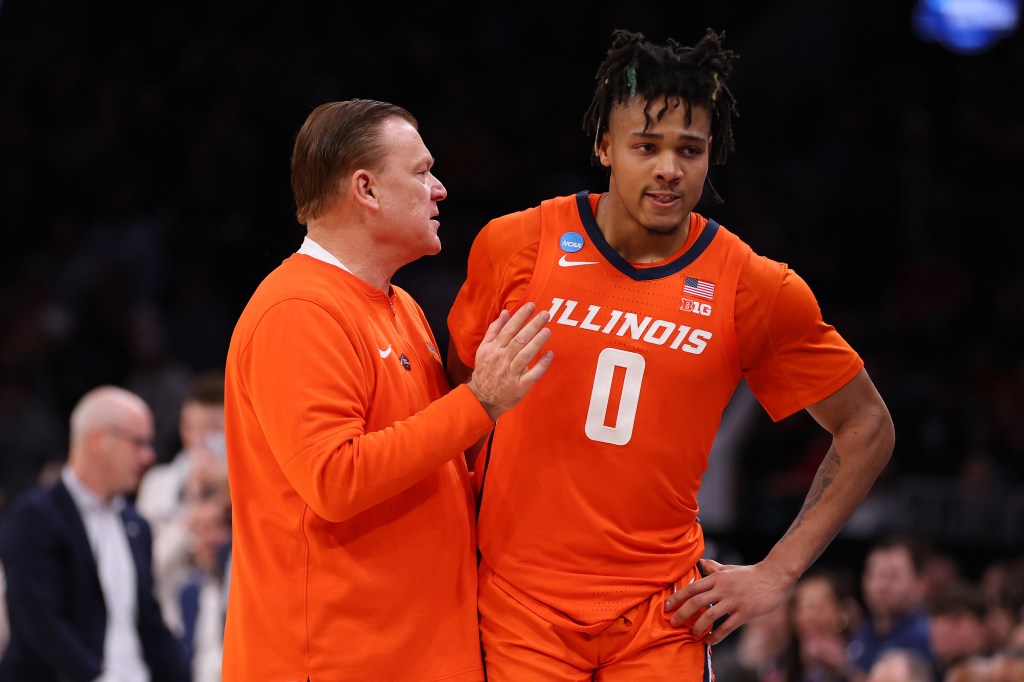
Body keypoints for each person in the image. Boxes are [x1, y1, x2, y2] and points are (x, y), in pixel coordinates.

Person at [445, 27, 895, 680]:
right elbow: (455, 404)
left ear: (712, 156)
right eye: (646, 146)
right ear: (604, 145)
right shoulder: (514, 245)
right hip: (519, 605)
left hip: (665, 617)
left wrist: (778, 571)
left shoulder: (754, 286)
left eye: (690, 149)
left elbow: (868, 425)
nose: (668, 168)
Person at [221, 98, 554, 681]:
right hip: (336, 660)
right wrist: (481, 401)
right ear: (366, 190)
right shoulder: (298, 310)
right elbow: (335, 479)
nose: (441, 189)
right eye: (422, 172)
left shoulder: (402, 307)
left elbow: (436, 461)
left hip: (416, 654)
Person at [0, 385, 188, 682]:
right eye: (138, 443)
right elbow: (38, 620)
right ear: (99, 440)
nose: (148, 456)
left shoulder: (136, 524)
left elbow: (150, 624)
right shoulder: (34, 517)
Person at [135, 368, 226, 637]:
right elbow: (148, 566)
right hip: (170, 618)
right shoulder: (157, 484)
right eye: (192, 428)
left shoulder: (246, 485)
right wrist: (189, 511)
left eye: (213, 429)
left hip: (224, 616)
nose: (200, 439)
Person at [846, 535, 936, 678]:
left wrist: (845, 668)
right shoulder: (861, 633)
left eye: (893, 576)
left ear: (920, 583)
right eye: (875, 574)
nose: (881, 586)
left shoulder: (929, 638)